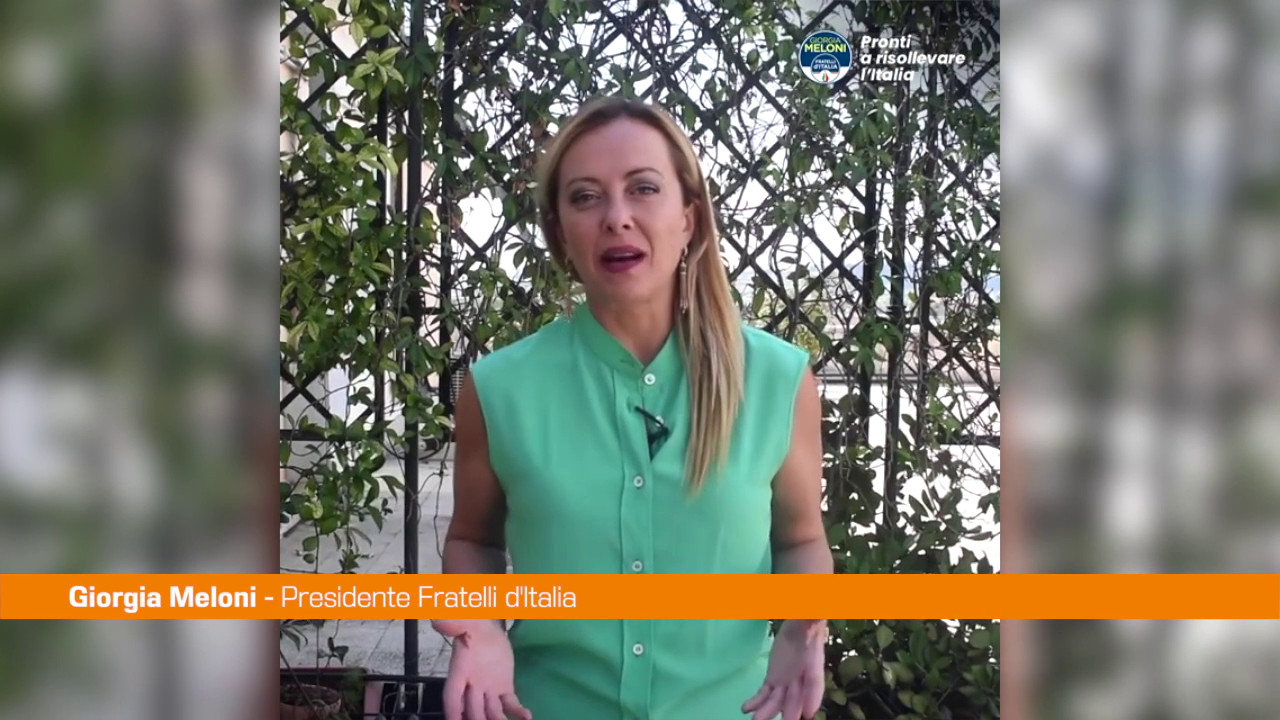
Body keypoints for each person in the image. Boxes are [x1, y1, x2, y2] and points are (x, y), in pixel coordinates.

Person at [432, 96, 833, 720]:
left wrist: (804, 625)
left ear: (689, 218)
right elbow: (472, 541)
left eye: (643, 189)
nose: (616, 218)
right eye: (586, 197)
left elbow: (803, 540)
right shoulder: (498, 389)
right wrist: (478, 626)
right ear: (561, 234)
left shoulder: (778, 381)